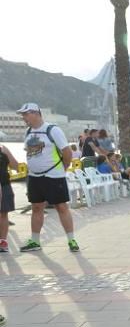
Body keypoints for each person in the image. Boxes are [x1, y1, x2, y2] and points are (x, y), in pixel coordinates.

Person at [17, 102, 79, 253]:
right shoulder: (28, 131)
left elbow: (67, 152)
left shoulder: (52, 130)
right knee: (36, 207)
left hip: (53, 176)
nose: (24, 117)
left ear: (36, 113)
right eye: (23, 115)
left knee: (61, 207)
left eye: (26, 114)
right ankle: (35, 241)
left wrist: (63, 169)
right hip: (34, 177)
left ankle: (71, 240)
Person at [0, 144, 18, 253]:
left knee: (3, 213)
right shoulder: (3, 149)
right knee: (3, 214)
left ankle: (2, 242)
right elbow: (15, 166)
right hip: (4, 184)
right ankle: (2, 242)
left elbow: (15, 165)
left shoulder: (3, 149)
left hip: (4, 184)